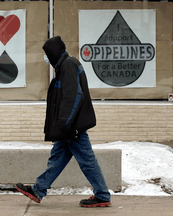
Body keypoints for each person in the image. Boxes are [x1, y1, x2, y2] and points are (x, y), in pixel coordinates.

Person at [15, 36, 111, 208]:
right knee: (57, 158)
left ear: (53, 52)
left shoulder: (68, 65)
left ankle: (102, 195)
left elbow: (74, 95)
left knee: (87, 161)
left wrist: (64, 122)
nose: (46, 57)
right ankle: (38, 189)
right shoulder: (65, 65)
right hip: (68, 126)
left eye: (47, 53)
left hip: (71, 126)